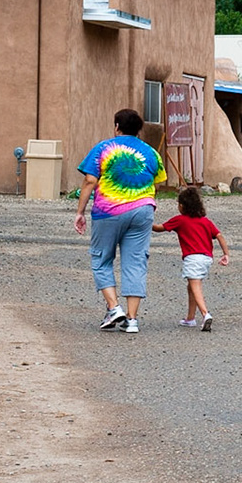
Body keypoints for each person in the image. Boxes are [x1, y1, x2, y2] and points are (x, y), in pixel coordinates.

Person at [75, 108, 166, 333]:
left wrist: (80, 211)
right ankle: (132, 320)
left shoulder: (104, 148)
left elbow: (89, 180)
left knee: (101, 258)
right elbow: (158, 181)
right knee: (135, 262)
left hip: (109, 212)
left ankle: (114, 308)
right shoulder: (152, 153)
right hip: (143, 210)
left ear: (117, 126)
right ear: (139, 129)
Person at [154, 185, 230, 330]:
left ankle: (205, 313)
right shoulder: (205, 221)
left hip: (192, 258)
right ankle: (190, 318)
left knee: (195, 286)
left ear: (182, 206)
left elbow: (159, 228)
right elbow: (219, 235)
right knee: (191, 286)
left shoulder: (180, 220)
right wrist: (226, 254)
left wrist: (145, 220)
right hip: (206, 259)